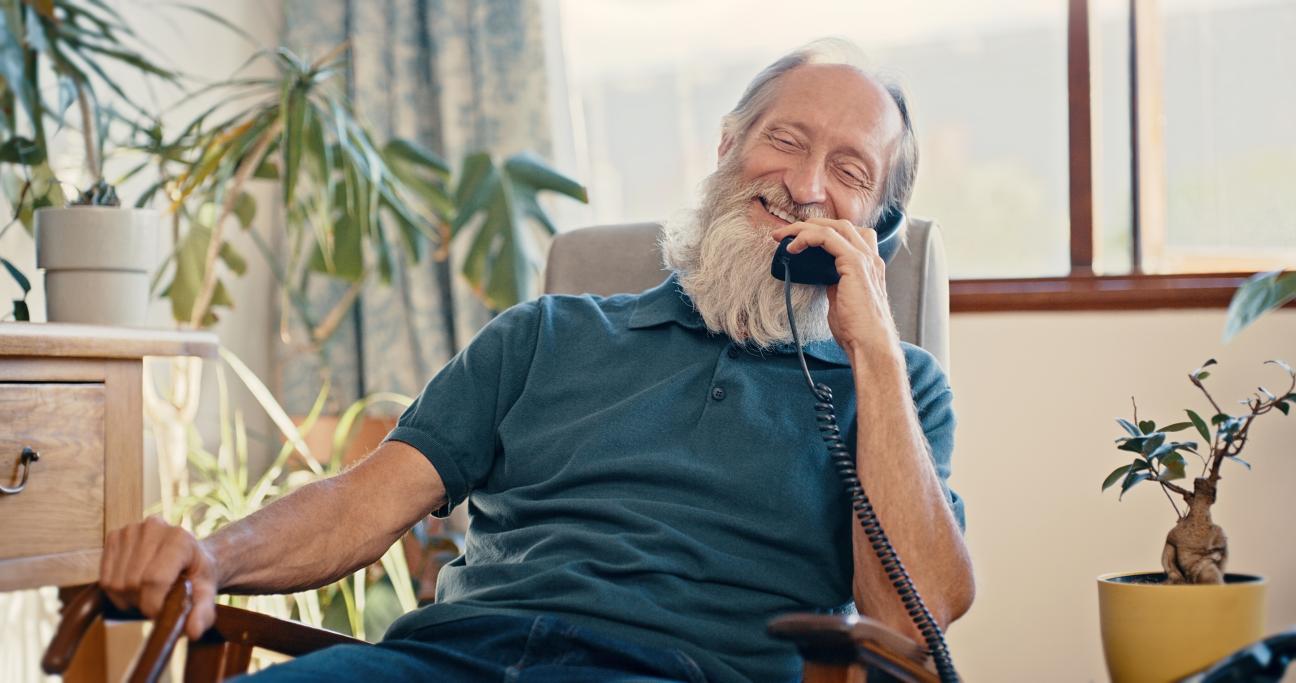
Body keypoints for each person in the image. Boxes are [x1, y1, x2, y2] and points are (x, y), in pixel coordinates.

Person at [99, 39, 974, 682]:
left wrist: (873, 353)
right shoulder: (546, 333)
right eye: (786, 140)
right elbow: (361, 504)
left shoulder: (895, 390)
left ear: (878, 229)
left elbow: (914, 614)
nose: (806, 184)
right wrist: (210, 554)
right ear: (728, 150)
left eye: (850, 168)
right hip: (446, 662)